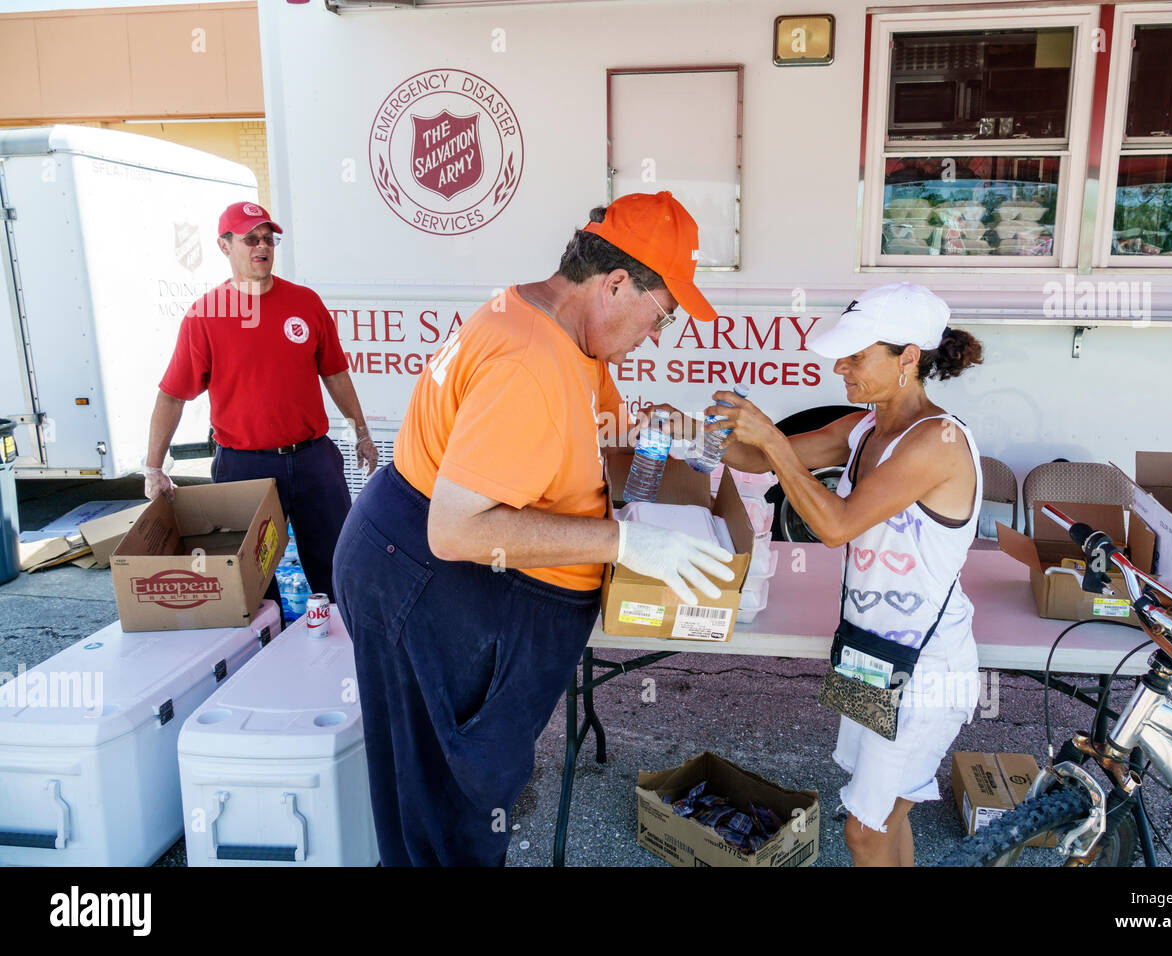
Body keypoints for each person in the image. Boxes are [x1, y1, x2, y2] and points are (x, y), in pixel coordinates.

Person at [331, 191, 735, 867]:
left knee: (445, 783)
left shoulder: (558, 327)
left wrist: (664, 433)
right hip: (429, 576)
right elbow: (457, 531)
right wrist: (630, 543)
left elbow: (597, 426)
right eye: (660, 316)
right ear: (613, 284)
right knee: (443, 803)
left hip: (419, 555)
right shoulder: (530, 362)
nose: (657, 336)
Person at [704, 282, 984, 867]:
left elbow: (836, 525)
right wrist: (690, 433)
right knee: (884, 812)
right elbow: (761, 455)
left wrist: (770, 441)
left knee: (864, 828)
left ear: (908, 358)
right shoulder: (863, 428)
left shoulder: (938, 441)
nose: (841, 366)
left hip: (923, 668)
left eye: (858, 355)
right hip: (867, 654)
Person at [144, 201, 377, 606]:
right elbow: (172, 396)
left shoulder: (306, 303)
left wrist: (362, 432)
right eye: (250, 238)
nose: (262, 246)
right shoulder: (206, 315)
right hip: (245, 466)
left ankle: (342, 651)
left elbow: (336, 374)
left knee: (340, 566)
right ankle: (264, 654)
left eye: (268, 239)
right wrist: (153, 466)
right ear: (224, 245)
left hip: (313, 460)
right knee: (251, 580)